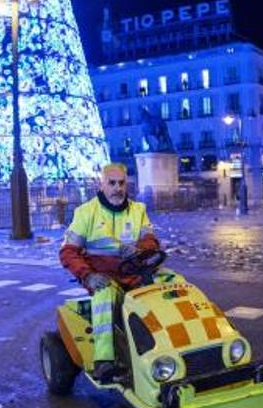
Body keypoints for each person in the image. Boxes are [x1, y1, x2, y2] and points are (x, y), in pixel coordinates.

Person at [59, 163, 178, 382]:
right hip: (104, 276)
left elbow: (150, 239)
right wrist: (88, 275)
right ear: (102, 185)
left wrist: (142, 249)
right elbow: (68, 252)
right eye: (112, 183)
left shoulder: (137, 210)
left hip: (136, 271)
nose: (117, 188)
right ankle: (104, 361)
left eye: (121, 183)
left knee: (174, 281)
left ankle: (179, 340)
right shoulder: (86, 213)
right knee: (104, 295)